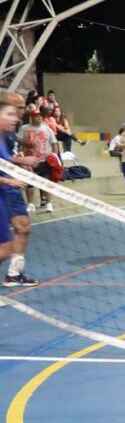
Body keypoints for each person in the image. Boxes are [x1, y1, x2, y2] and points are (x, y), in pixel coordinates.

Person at [0, 91, 41, 288]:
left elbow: (6, 157)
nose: (21, 112)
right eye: (16, 109)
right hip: (6, 185)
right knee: (5, 247)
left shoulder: (8, 131)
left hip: (9, 184)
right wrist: (19, 163)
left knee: (22, 229)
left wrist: (19, 163)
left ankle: (14, 274)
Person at [18, 109, 58, 213]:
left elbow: (54, 144)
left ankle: (49, 203)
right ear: (31, 118)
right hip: (29, 161)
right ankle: (30, 204)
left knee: (46, 182)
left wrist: (54, 156)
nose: (39, 118)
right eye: (37, 116)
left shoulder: (47, 129)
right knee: (29, 183)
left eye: (40, 116)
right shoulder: (23, 128)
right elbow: (19, 143)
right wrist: (22, 158)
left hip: (44, 161)